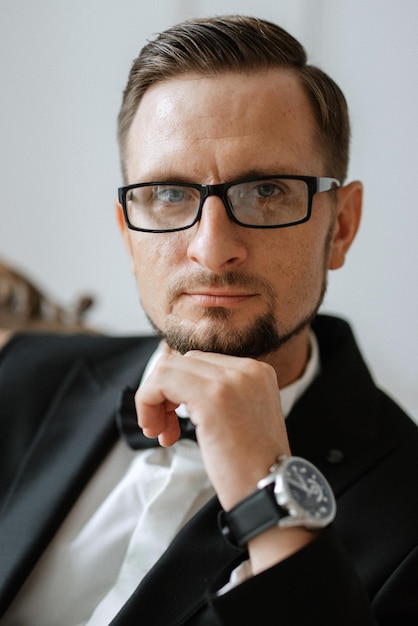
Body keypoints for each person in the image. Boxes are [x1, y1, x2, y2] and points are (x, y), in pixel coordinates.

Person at [0, 14, 417, 625]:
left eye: (267, 191)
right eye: (169, 194)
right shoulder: (19, 379)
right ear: (127, 232)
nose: (212, 248)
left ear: (342, 227)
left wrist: (270, 498)